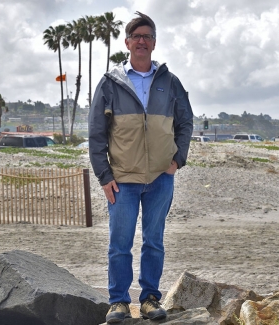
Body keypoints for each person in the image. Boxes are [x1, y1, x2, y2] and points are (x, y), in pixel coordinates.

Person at [88, 11, 193, 324]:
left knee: (153, 241)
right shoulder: (110, 84)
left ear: (154, 43)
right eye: (137, 36)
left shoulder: (170, 82)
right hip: (122, 180)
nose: (142, 41)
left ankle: (149, 299)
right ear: (127, 43)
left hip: (161, 177)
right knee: (119, 244)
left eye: (148, 36)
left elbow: (186, 121)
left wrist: (177, 160)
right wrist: (104, 176)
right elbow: (95, 133)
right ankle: (119, 302)